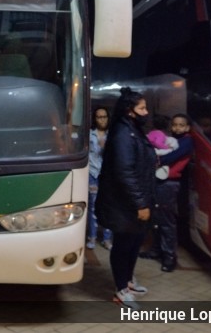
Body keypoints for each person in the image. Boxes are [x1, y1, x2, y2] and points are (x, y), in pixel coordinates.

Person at [95, 87, 157, 310]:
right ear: (130, 111)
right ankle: (121, 289)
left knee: (134, 242)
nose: (146, 111)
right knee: (123, 244)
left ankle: (128, 282)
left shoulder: (133, 129)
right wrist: (140, 203)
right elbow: (124, 171)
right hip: (125, 203)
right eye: (142, 108)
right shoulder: (123, 133)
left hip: (135, 199)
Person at [140, 113, 194, 272]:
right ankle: (156, 251)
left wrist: (154, 159)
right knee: (156, 219)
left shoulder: (187, 141)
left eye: (181, 125)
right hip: (159, 182)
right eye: (175, 124)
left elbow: (168, 158)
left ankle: (170, 257)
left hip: (169, 184)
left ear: (187, 127)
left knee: (167, 221)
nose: (177, 127)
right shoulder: (172, 140)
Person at [86, 106, 112, 250]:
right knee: (93, 206)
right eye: (99, 117)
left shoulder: (112, 135)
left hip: (108, 175)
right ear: (94, 119)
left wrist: (106, 148)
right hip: (93, 173)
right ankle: (92, 237)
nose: (102, 119)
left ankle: (107, 239)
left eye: (104, 117)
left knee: (108, 206)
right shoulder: (90, 135)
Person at [146, 114, 179, 180]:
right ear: (166, 126)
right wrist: (167, 147)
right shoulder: (160, 134)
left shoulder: (152, 132)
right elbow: (158, 143)